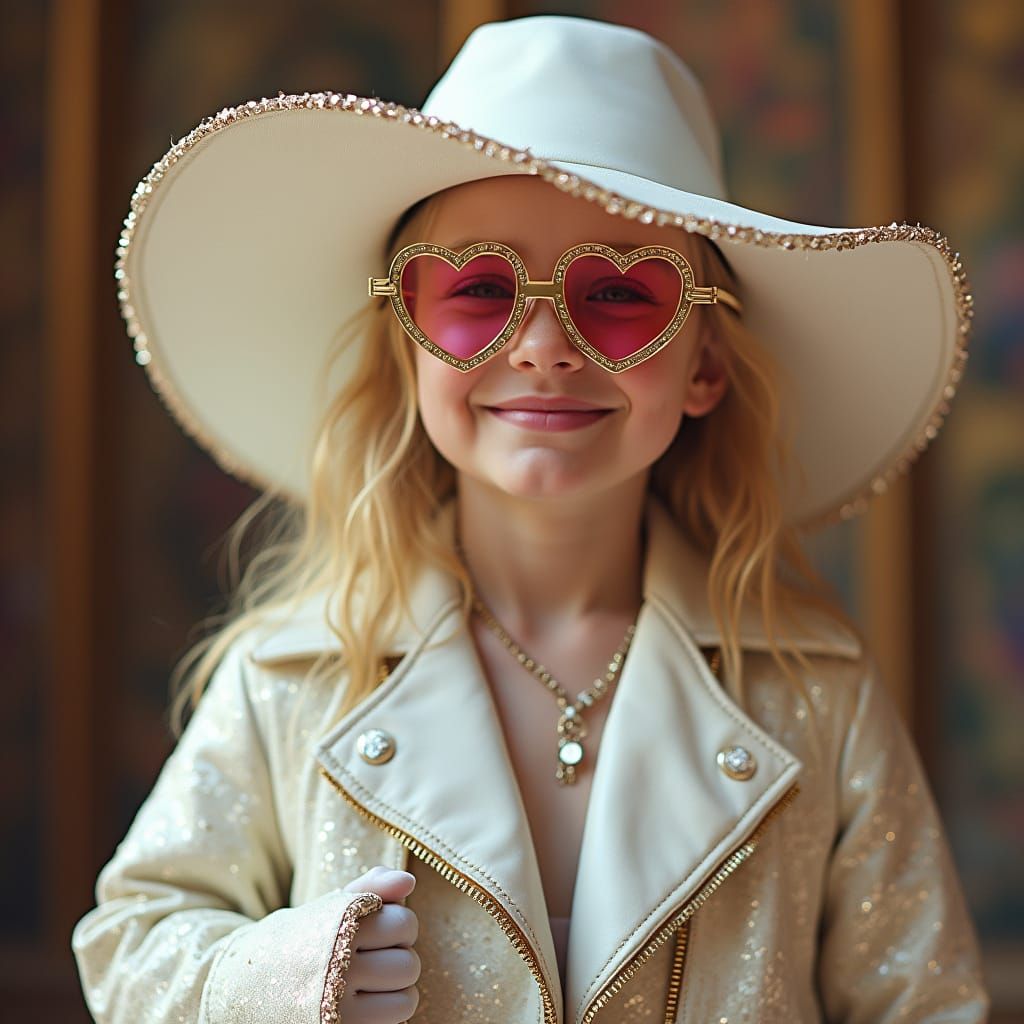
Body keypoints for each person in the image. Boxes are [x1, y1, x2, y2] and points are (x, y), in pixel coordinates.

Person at [72, 15, 989, 1024]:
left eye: (617, 294)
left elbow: (921, 1001)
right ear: (407, 348)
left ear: (705, 366)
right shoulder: (293, 676)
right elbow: (131, 942)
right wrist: (293, 976)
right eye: (477, 291)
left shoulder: (817, 695)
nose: (545, 346)